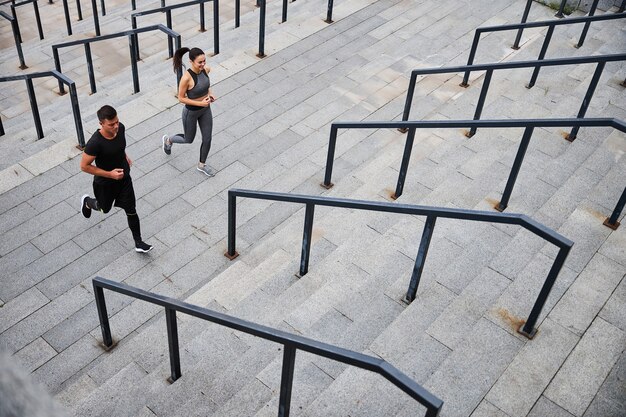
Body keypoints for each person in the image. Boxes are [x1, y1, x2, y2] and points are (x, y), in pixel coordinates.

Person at [80, 105, 153, 253]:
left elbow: (119, 146)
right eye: (111, 124)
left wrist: (124, 156)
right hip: (105, 183)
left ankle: (138, 242)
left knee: (131, 209)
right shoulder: (95, 143)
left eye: (117, 122)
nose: (116, 126)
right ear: (101, 123)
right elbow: (84, 166)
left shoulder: (121, 128)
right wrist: (110, 174)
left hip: (124, 178)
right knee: (103, 208)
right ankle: (87, 202)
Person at [162, 46, 217, 177]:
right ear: (191, 61)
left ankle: (201, 165)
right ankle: (168, 140)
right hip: (191, 113)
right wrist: (200, 103)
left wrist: (211, 94)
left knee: (207, 138)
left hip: (205, 110)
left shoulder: (205, 70)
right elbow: (181, 98)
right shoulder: (186, 78)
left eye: (204, 61)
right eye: (200, 62)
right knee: (188, 139)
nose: (203, 64)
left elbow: (207, 86)